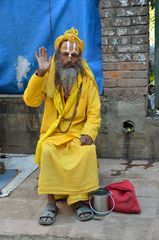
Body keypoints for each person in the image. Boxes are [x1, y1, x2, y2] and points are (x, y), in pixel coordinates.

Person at [23, 27, 101, 225]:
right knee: (48, 150)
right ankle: (51, 202)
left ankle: (79, 200)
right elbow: (30, 101)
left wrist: (88, 133)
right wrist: (40, 73)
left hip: (77, 134)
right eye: (65, 54)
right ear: (59, 55)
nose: (69, 58)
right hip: (53, 133)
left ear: (79, 58)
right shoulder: (48, 74)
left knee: (86, 151)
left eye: (74, 55)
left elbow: (94, 113)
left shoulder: (87, 80)